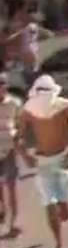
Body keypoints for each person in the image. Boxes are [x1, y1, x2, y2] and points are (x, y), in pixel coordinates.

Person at [18, 75, 68, 248]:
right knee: (49, 203)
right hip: (43, 161)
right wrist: (25, 155)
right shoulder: (29, 110)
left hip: (61, 160)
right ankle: (58, 245)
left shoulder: (65, 106)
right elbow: (19, 136)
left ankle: (60, 221)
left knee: (64, 211)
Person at [0, 74, 21, 237]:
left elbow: (21, 125)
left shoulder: (14, 103)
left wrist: (17, 135)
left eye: (2, 84)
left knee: (12, 186)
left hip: (9, 150)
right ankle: (2, 211)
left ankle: (14, 221)